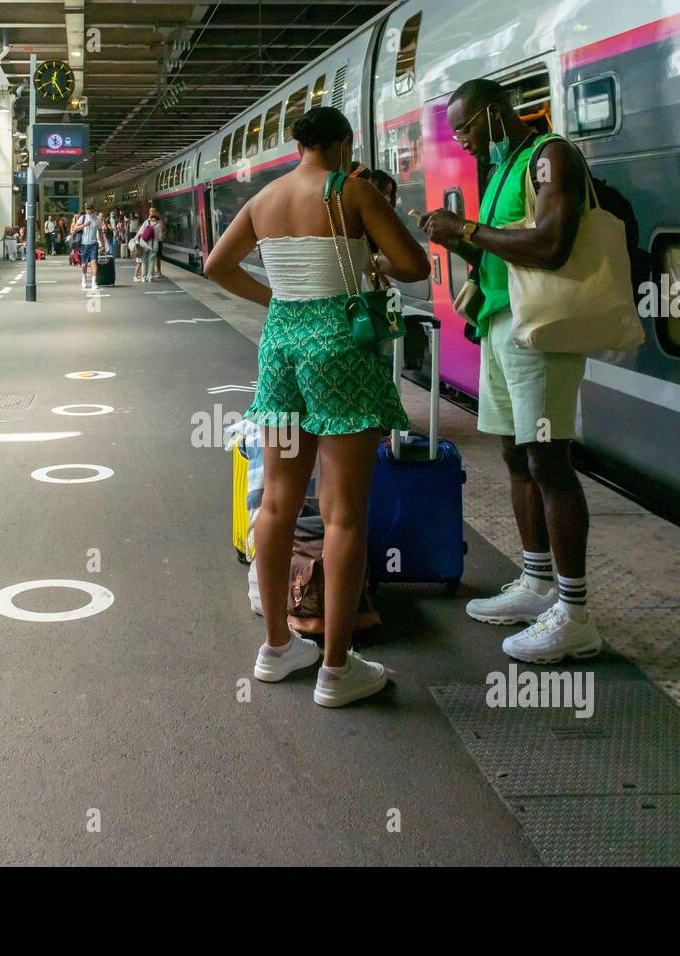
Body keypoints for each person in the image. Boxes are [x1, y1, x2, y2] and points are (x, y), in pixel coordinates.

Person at [204, 106, 430, 708]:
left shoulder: (266, 197)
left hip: (281, 349)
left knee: (277, 501)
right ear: (345, 143)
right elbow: (414, 265)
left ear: (297, 146)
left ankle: (276, 648)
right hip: (342, 354)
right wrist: (368, 264)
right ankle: (335, 669)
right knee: (343, 514)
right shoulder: (352, 192)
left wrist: (275, 294)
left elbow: (216, 266)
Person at [420, 78, 600, 664]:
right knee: (516, 456)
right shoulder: (502, 171)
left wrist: (467, 230)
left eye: (468, 129)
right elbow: (503, 248)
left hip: (538, 332)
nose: (464, 142)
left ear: (497, 114)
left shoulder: (551, 157)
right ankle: (537, 583)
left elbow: (550, 242)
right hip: (500, 326)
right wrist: (459, 240)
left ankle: (574, 615)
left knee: (550, 461)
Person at [71, 203, 101, 290]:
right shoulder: (83, 217)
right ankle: (84, 278)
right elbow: (75, 228)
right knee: (84, 264)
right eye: (87, 209)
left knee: (94, 262)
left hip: (94, 244)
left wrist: (102, 244)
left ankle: (94, 282)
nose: (88, 211)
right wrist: (84, 225)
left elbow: (100, 232)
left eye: (90, 209)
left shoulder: (97, 219)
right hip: (84, 244)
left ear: (93, 209)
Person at [150, 206, 166, 278]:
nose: (153, 212)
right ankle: (157, 272)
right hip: (156, 241)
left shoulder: (148, 221)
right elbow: (161, 232)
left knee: (156, 258)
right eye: (152, 211)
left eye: (154, 211)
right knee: (156, 257)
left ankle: (154, 273)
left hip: (152, 242)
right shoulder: (158, 221)